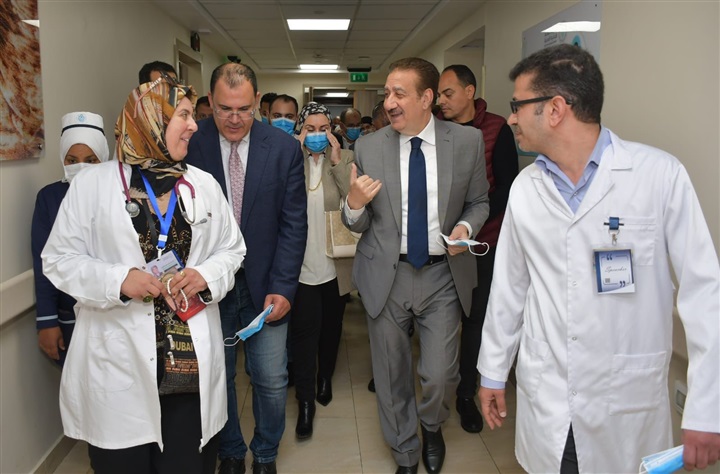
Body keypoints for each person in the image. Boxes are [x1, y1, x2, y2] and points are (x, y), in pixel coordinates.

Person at [477, 44, 720, 474]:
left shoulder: (659, 175)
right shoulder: (526, 187)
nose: (511, 118)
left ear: (555, 109)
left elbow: (705, 295)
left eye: (518, 106)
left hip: (626, 400)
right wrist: (493, 371)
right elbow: (510, 288)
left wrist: (707, 409)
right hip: (548, 396)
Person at [41, 74, 246, 473]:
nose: (194, 125)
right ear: (150, 121)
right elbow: (59, 259)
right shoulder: (91, 187)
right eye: (183, 115)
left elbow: (233, 249)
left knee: (187, 464)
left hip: (187, 366)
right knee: (124, 463)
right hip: (119, 363)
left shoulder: (203, 185)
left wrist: (205, 275)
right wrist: (118, 280)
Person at [343, 57, 489, 474]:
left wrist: (464, 227)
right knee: (391, 373)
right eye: (387, 93)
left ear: (427, 98)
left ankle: (432, 424)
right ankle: (405, 450)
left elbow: (479, 201)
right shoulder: (369, 147)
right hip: (386, 274)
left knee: (440, 374)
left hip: (443, 273)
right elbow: (357, 222)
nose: (389, 102)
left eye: (399, 93)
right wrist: (354, 204)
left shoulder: (467, 142)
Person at [185, 63, 307, 474]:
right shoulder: (191, 144)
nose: (235, 119)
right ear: (210, 102)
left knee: (270, 378)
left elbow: (293, 224)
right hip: (208, 286)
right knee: (218, 375)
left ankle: (266, 453)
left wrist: (284, 286)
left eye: (243, 109)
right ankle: (232, 451)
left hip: (266, 283)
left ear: (257, 101)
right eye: (224, 109)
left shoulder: (283, 149)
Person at [436, 64, 519, 434]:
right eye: (439, 94)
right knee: (438, 316)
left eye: (448, 93)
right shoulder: (435, 128)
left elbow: (506, 187)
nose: (441, 101)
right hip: (440, 243)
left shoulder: (497, 129)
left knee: (475, 321)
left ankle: (466, 393)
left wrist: (469, 225)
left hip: (483, 243)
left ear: (469, 91)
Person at [290, 102, 354, 440]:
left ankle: (324, 377)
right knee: (304, 333)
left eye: (323, 129)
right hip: (300, 265)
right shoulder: (290, 161)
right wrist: (294, 153)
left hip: (335, 262)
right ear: (300, 131)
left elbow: (354, 201)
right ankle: (304, 400)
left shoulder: (346, 158)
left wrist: (337, 162)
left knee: (331, 327)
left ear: (332, 131)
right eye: (310, 129)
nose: (317, 135)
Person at [32, 111, 110, 365]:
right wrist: (47, 321)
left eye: (91, 160)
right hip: (70, 320)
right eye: (72, 160)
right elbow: (44, 262)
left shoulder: (123, 195)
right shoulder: (49, 198)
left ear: (104, 158)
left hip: (116, 314)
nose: (81, 167)